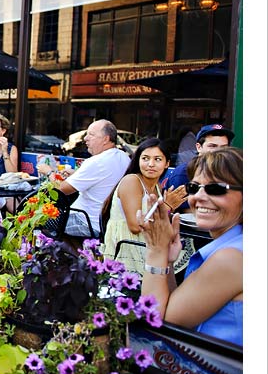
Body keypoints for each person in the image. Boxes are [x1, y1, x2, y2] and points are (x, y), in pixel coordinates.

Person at [138, 147, 242, 346]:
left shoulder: (232, 258)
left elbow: (158, 325)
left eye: (216, 188)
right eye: (194, 188)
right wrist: (166, 260)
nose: (199, 197)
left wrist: (156, 250)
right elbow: (174, 305)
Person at [101, 138, 186, 274]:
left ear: (167, 164)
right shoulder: (132, 181)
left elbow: (158, 222)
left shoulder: (158, 187)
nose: (151, 164)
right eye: (145, 158)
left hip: (147, 245)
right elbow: (135, 226)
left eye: (158, 159)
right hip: (128, 248)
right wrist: (167, 206)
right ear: (138, 160)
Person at [38, 119, 129, 238]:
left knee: (37, 220)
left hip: (86, 221)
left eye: (91, 134)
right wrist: (76, 173)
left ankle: (72, 254)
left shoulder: (96, 161)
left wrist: (48, 171)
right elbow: (102, 179)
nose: (85, 138)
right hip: (108, 223)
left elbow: (62, 189)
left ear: (106, 139)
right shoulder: (123, 157)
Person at [163, 123, 234, 213]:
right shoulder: (183, 173)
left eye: (224, 147)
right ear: (199, 147)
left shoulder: (232, 172)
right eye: (213, 146)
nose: (218, 151)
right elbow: (178, 209)